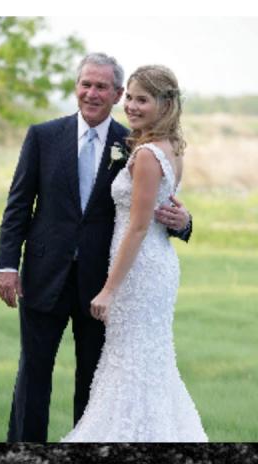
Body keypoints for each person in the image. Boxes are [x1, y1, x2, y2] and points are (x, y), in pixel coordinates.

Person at [0, 52, 193, 442]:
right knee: (33, 373)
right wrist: (7, 264)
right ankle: (24, 452)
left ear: (116, 93)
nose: (91, 93)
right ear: (76, 87)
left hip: (102, 280)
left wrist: (185, 223)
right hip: (44, 272)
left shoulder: (135, 141)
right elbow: (19, 203)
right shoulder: (43, 136)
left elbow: (152, 210)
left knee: (94, 380)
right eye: (85, 84)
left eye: (101, 86)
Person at [63, 65, 207, 441]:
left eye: (141, 99)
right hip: (156, 263)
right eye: (128, 96)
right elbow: (163, 207)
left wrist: (109, 289)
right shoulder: (171, 147)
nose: (130, 106)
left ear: (165, 104)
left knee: (131, 360)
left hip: (139, 270)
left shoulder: (146, 155)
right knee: (144, 358)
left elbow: (139, 226)